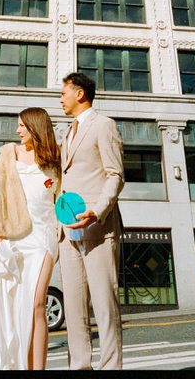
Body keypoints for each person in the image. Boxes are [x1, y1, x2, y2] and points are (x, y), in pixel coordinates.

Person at [0, 107, 61, 370]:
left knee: (38, 303)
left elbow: (61, 198)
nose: (17, 131)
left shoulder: (55, 158)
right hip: (13, 236)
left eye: (22, 126)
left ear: (35, 127)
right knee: (16, 305)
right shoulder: (8, 154)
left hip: (44, 235)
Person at [58, 72, 124, 370]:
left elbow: (115, 174)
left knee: (104, 306)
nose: (61, 98)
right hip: (68, 232)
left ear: (79, 93)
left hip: (98, 228)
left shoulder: (104, 125)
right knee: (74, 310)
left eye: (64, 93)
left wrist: (98, 211)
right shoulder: (67, 132)